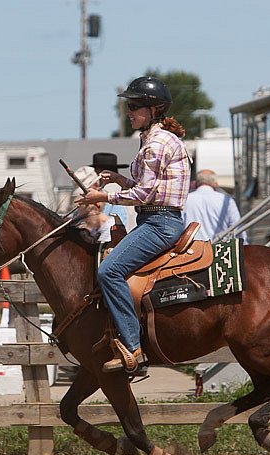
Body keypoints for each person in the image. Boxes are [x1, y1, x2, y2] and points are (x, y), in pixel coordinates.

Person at [76, 76, 191, 372]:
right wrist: (117, 179)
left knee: (109, 271)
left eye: (135, 106)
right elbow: (147, 187)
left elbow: (145, 193)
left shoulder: (155, 143)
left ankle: (132, 346)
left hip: (159, 222)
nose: (129, 111)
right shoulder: (155, 139)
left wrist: (103, 194)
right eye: (129, 105)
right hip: (156, 218)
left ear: (154, 109)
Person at [182, 169, 247, 243]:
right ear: (215, 183)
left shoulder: (185, 200)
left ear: (196, 183)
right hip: (219, 249)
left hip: (192, 250)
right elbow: (237, 228)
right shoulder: (226, 200)